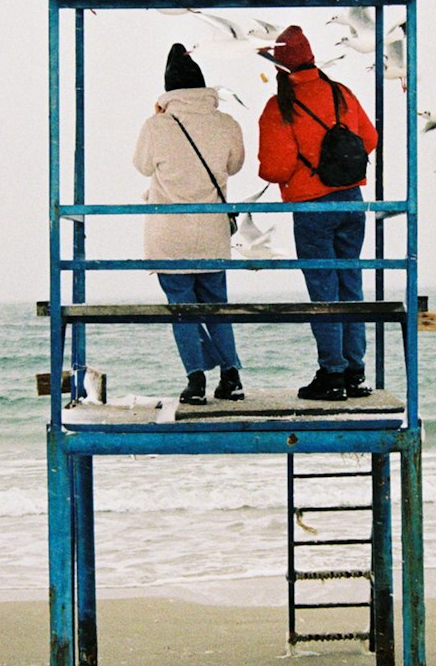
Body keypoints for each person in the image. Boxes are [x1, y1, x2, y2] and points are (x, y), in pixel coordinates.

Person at [257, 25, 378, 402]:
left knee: (323, 291)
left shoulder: (281, 106)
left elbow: (274, 169)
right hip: (351, 203)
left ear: (279, 67)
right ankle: (356, 371)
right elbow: (370, 140)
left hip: (311, 206)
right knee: (350, 285)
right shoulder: (340, 92)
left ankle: (333, 374)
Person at [133, 44, 246, 404]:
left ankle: (196, 379)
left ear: (169, 91)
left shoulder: (157, 125)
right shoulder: (226, 123)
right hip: (212, 234)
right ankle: (231, 377)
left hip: (170, 237)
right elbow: (235, 166)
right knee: (216, 306)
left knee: (183, 309)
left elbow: (142, 166)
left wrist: (159, 116)